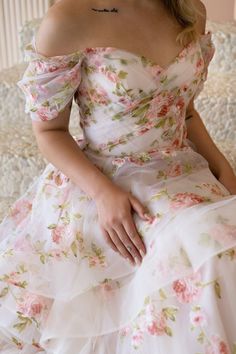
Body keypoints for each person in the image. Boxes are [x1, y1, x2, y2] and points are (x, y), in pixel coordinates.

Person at [0, 0, 236, 352]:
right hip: (110, 178)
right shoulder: (69, 17)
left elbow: (184, 113)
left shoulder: (188, 10)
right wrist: (102, 193)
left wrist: (224, 169)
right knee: (206, 250)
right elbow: (49, 133)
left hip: (183, 171)